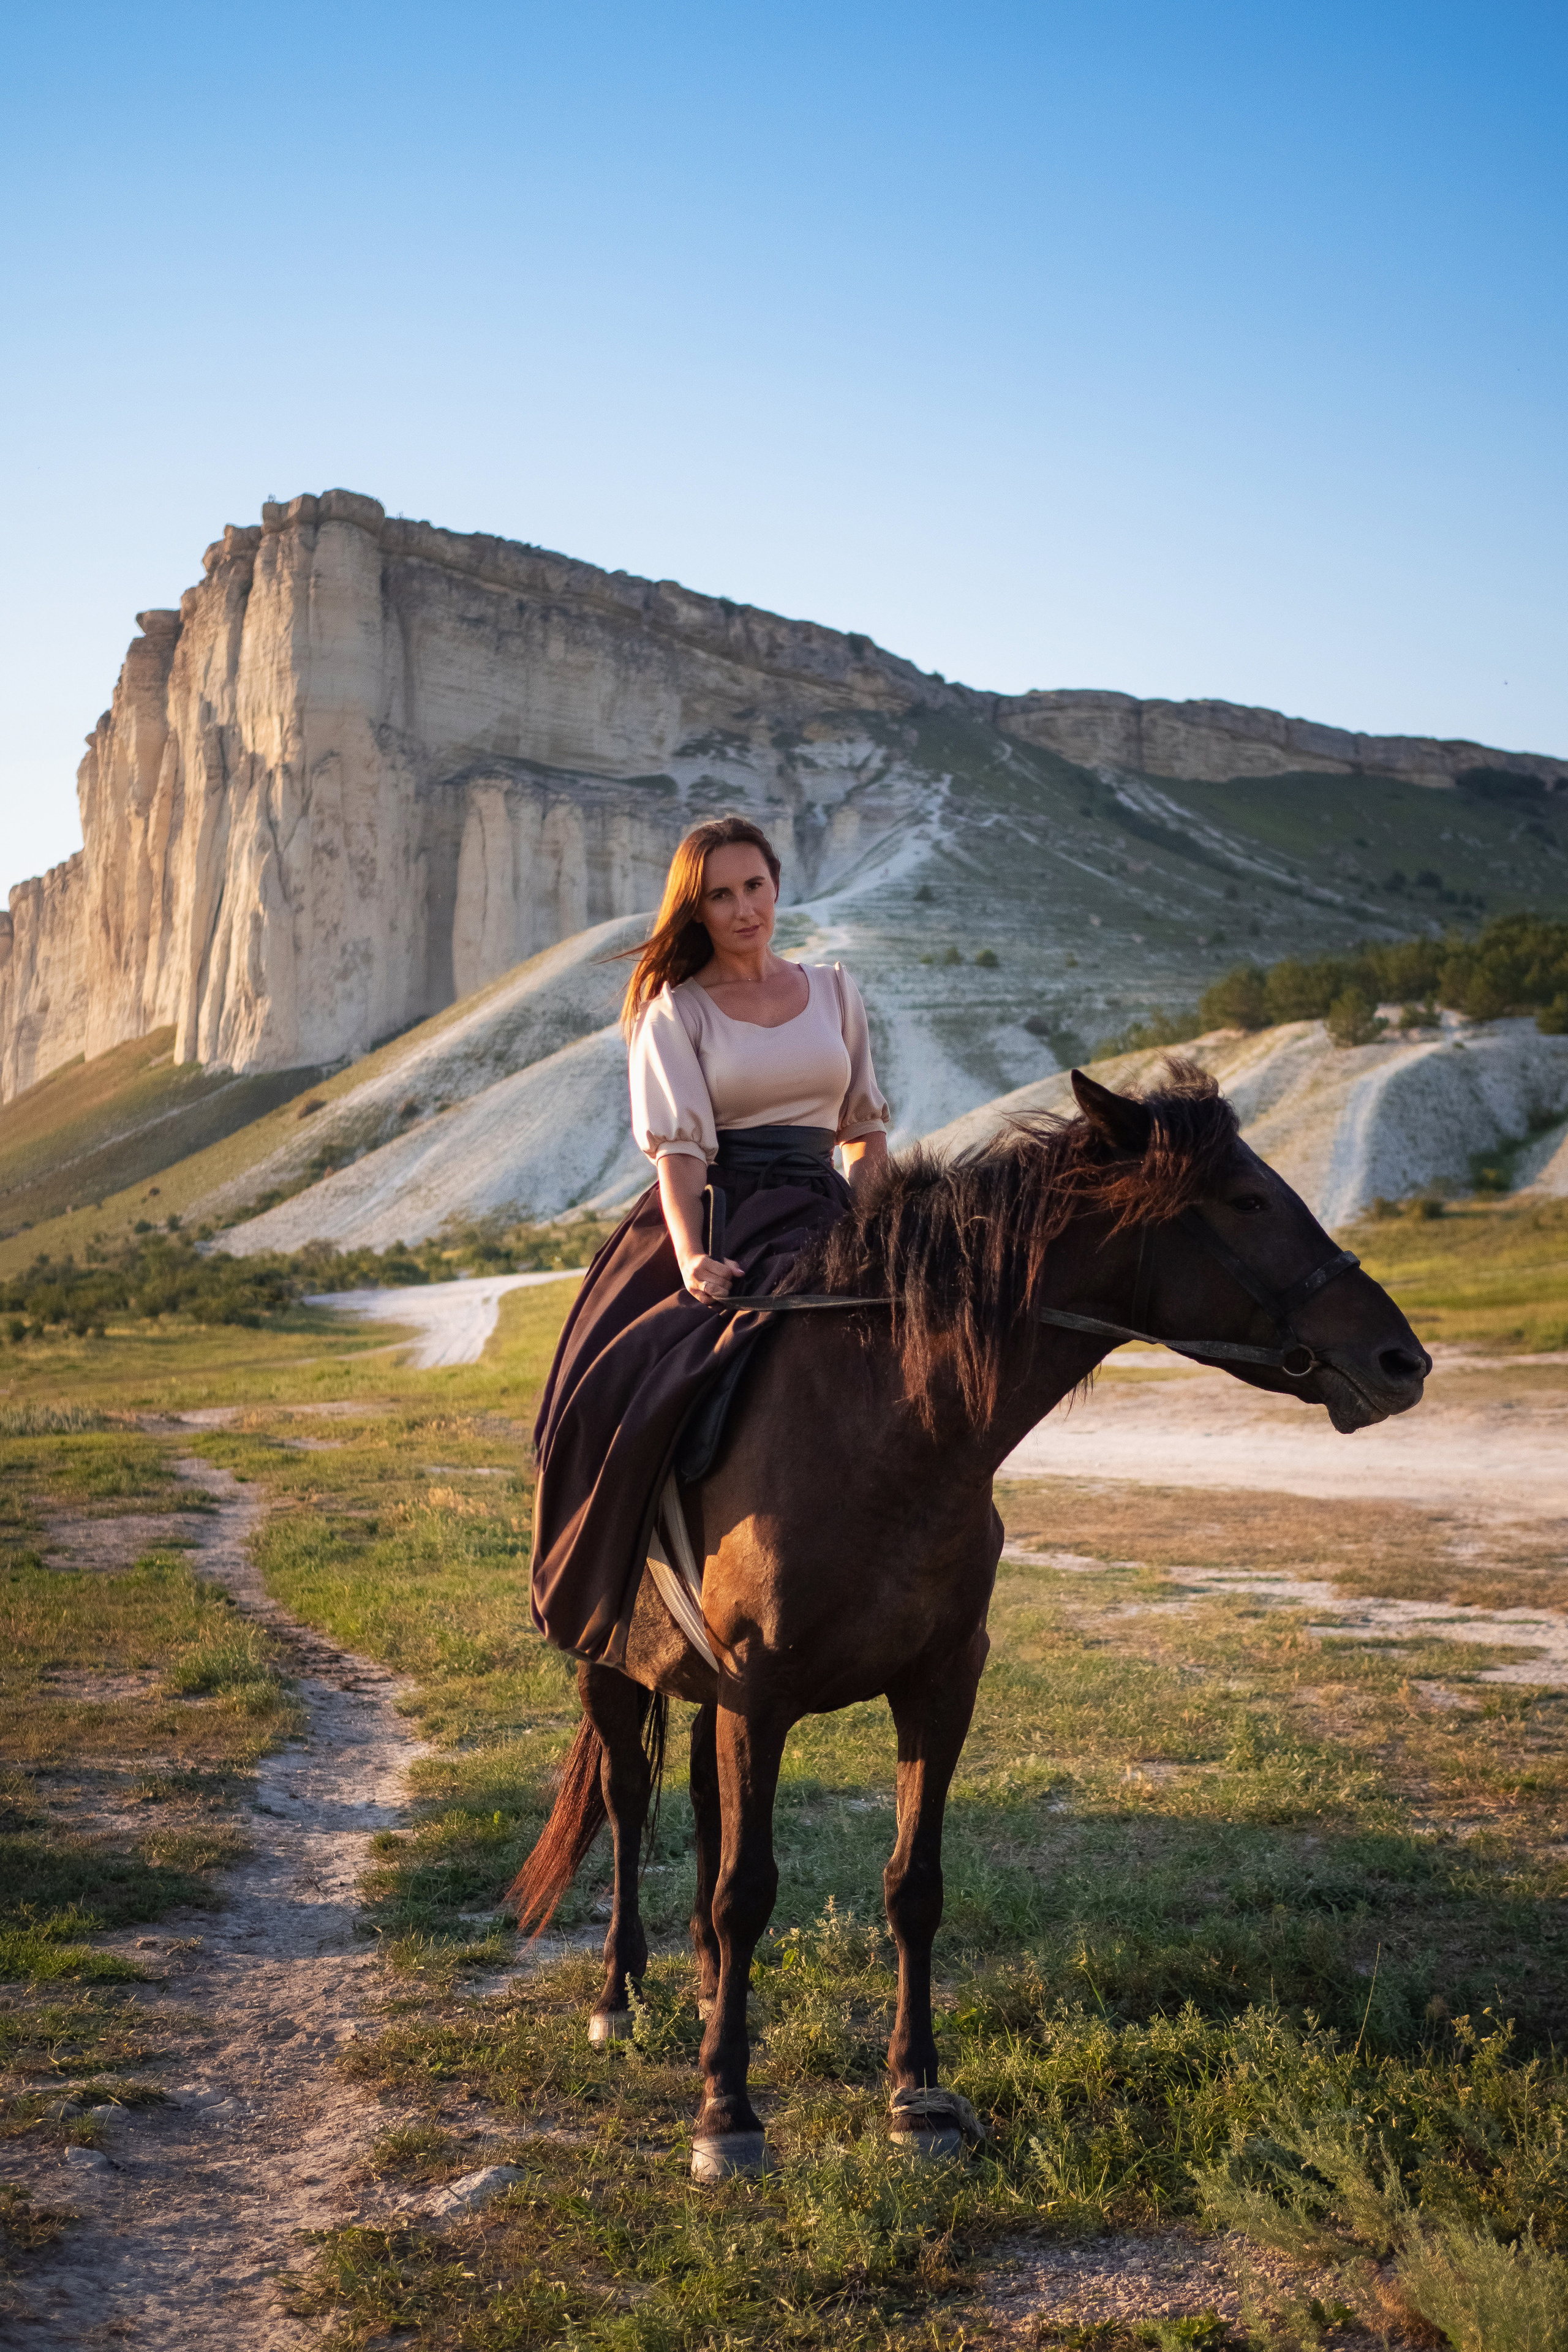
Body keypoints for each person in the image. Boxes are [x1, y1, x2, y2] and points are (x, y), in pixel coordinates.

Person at [529, 815, 890, 1663]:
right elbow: (683, 1154)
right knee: (627, 1381)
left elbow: (866, 1132)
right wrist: (692, 1257)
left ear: (776, 882)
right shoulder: (676, 1012)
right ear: (694, 912)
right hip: (724, 1216)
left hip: (827, 1209)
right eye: (719, 896)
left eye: (753, 887)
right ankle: (628, 1588)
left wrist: (881, 1233)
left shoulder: (835, 991)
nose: (742, 910)